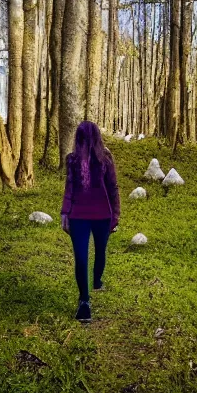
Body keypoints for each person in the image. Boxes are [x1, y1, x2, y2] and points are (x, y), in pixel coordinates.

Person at [61, 121, 120, 323]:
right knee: (84, 257)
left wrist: (116, 215)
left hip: (100, 215)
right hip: (81, 216)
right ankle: (84, 301)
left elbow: (113, 188)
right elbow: (69, 189)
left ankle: (96, 281)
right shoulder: (73, 161)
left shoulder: (105, 159)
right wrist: (64, 213)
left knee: (96, 252)